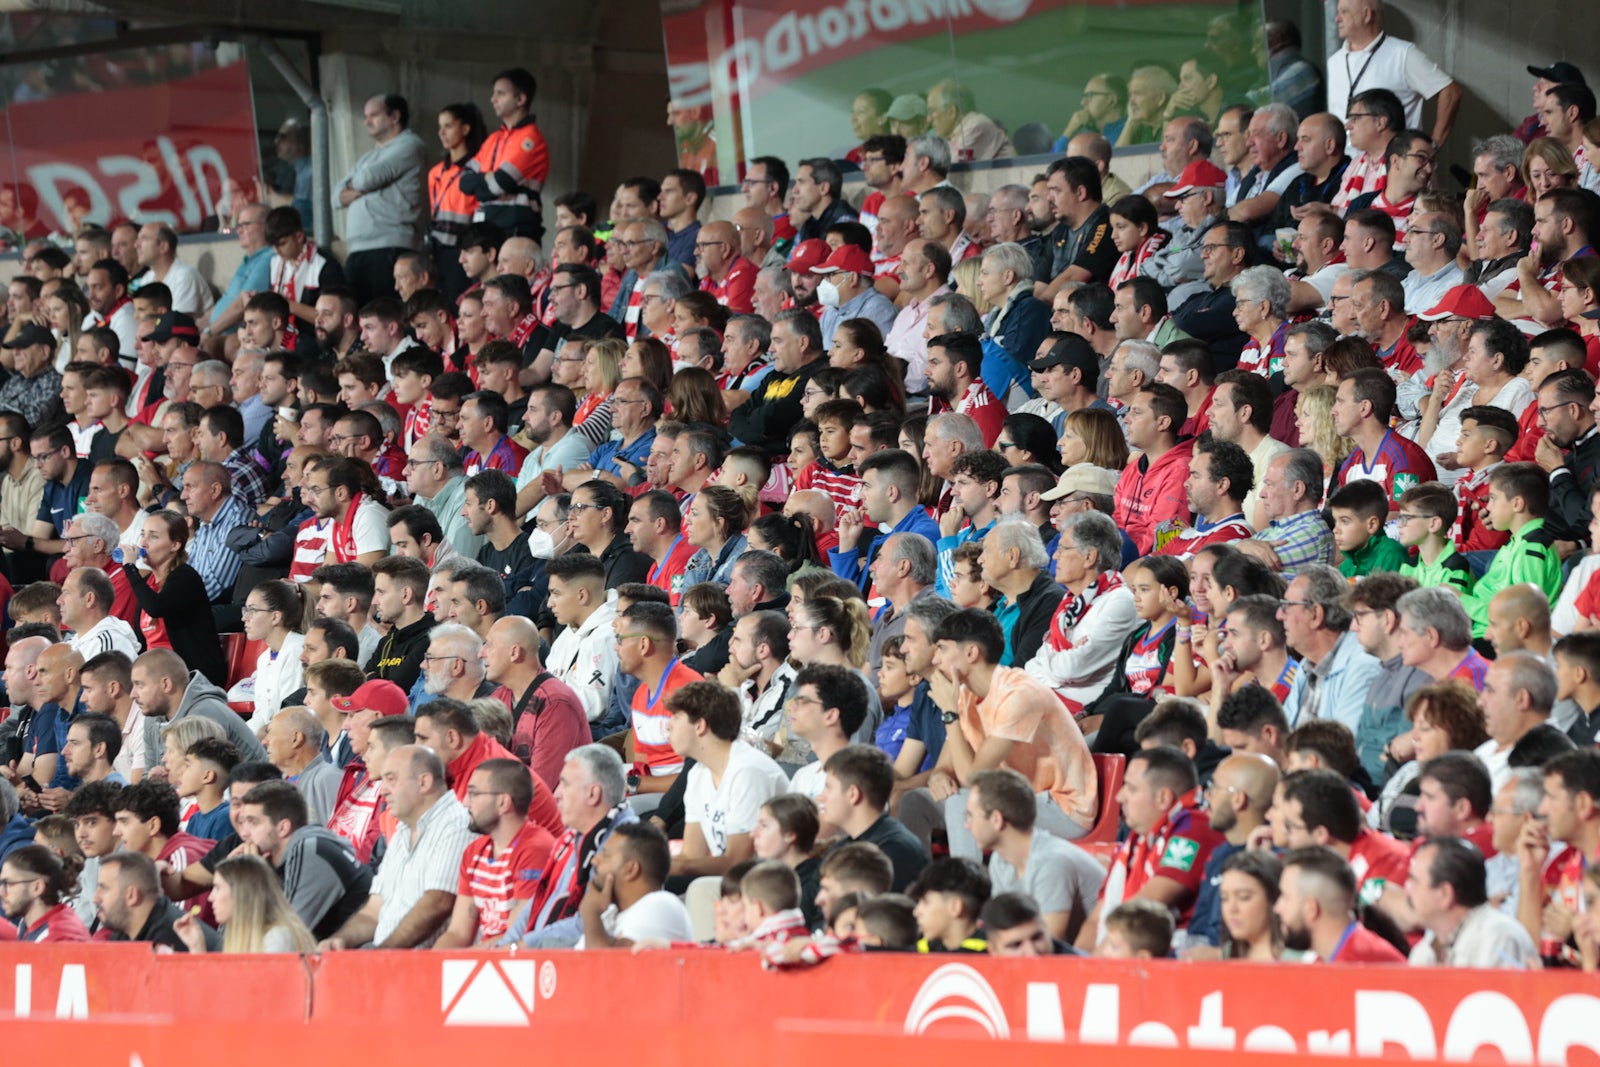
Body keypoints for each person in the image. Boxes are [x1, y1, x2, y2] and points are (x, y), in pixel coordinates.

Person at [321, 745, 475, 949]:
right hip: (388, 958)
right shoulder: (403, 828)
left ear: (424, 782)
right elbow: (373, 911)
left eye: (391, 779)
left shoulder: (456, 824)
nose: (382, 789)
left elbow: (438, 903)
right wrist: (340, 940)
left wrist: (381, 955)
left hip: (424, 967)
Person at [230, 779, 372, 941]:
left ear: (283, 827)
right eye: (243, 822)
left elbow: (284, 938)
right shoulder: (292, 854)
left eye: (253, 822)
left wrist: (250, 881)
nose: (245, 834)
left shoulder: (310, 850)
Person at [334, 93, 427, 304]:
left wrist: (357, 187)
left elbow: (367, 179)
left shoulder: (410, 145)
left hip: (389, 247)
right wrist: (355, 188)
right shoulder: (368, 157)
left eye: (374, 115)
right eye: (366, 116)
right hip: (359, 250)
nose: (367, 121)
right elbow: (335, 196)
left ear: (395, 116)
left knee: (386, 317)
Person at [458, 69, 549, 241]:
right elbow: (463, 182)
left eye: (501, 94)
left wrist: (480, 181)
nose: (493, 99)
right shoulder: (494, 139)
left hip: (516, 229)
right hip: (488, 226)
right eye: (494, 94)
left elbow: (499, 184)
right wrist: (487, 178)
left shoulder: (530, 139)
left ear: (520, 99)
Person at [1276, 845, 1405, 963]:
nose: (1277, 908)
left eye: (1285, 897)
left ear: (1311, 909)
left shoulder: (1358, 967)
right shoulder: (1337, 956)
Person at [577, 821, 693, 949]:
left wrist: (590, 914)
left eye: (606, 855)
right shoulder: (609, 913)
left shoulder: (661, 905)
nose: (594, 860)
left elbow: (608, 965)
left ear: (631, 870)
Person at [94, 851, 220, 952]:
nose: (95, 898)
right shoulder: (125, 929)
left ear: (132, 896)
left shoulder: (173, 941)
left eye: (103, 888)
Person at [365, 556, 434, 693]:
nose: (374, 601)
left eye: (381, 592)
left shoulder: (431, 639)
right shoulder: (386, 641)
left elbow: (394, 691)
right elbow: (361, 684)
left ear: (406, 594)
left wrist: (375, 679)